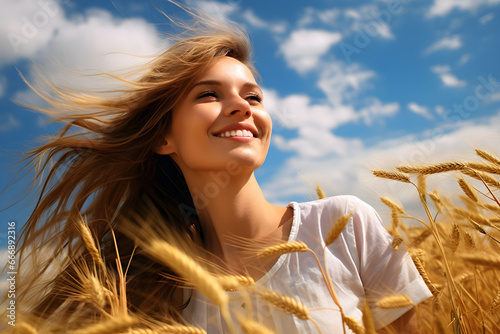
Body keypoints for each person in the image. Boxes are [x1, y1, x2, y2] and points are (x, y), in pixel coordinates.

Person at [3, 9, 431, 334]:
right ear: (163, 138)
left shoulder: (343, 225)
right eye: (209, 94)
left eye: (254, 96)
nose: (243, 106)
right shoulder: (162, 293)